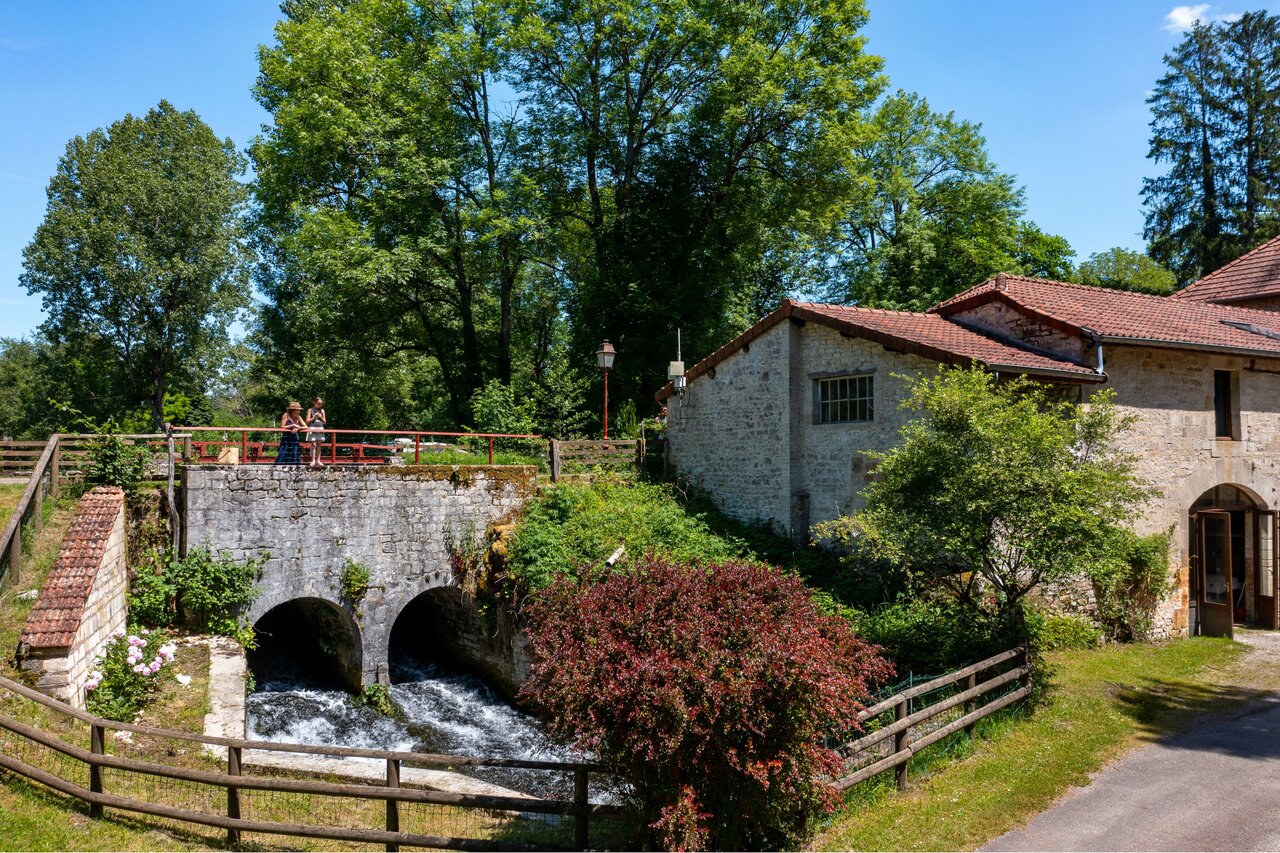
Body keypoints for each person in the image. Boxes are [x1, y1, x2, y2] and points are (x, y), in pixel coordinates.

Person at [306, 396, 327, 467]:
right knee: (313, 445)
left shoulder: (322, 411)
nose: (319, 405)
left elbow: (324, 422)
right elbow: (307, 421)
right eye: (318, 403)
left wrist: (320, 416)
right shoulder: (310, 410)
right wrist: (313, 417)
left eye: (321, 404)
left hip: (320, 428)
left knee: (319, 445)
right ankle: (313, 460)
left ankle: (318, 460)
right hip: (312, 428)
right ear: (314, 402)